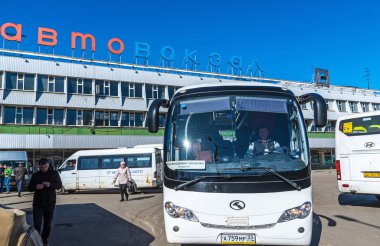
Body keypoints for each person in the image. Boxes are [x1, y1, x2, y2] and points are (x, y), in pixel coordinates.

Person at [28, 158, 62, 246]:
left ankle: (44, 241)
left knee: (47, 224)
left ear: (48, 165)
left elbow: (59, 185)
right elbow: (29, 188)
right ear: (38, 166)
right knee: (37, 225)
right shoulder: (36, 175)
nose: (44, 169)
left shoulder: (54, 173)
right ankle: (37, 242)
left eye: (45, 167)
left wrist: (50, 185)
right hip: (38, 204)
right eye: (42, 167)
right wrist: (36, 187)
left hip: (50, 203)